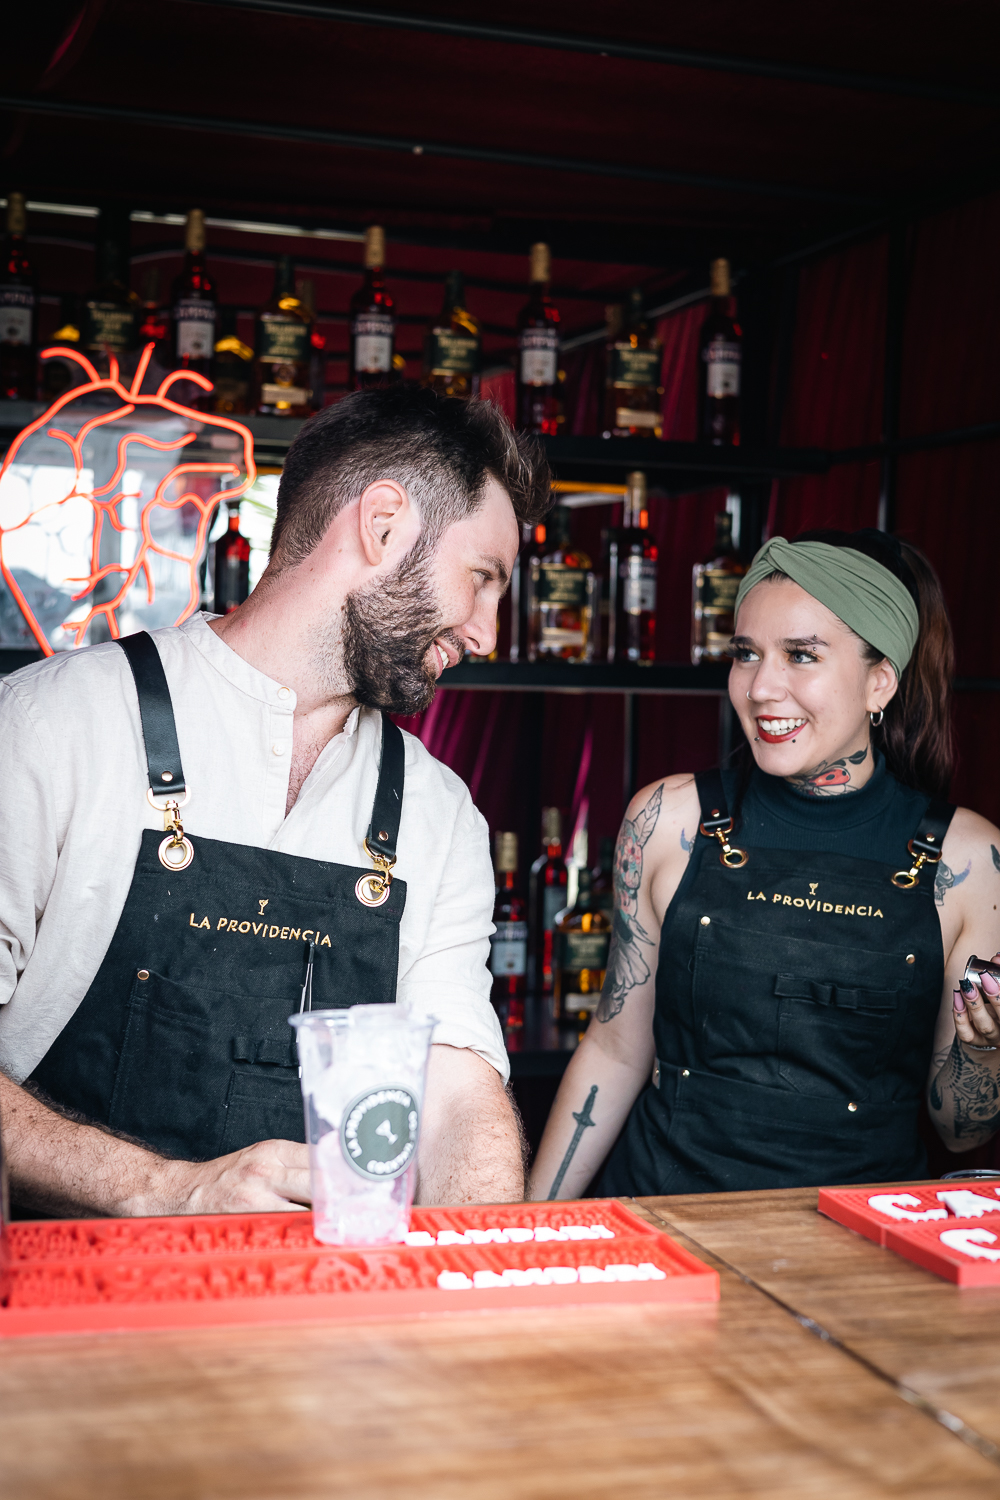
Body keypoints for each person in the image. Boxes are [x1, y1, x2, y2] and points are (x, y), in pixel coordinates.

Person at [0, 386, 550, 1217]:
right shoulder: (52, 725)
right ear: (383, 524)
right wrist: (165, 1189)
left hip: (319, 1292)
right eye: (481, 579)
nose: (486, 632)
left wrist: (479, 1266)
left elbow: (456, 1091)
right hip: (64, 1283)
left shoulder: (438, 813)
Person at [532, 529, 1000, 1199]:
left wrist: (985, 1050)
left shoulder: (970, 859)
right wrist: (530, 1224)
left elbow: (961, 1133)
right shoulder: (668, 819)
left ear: (879, 682)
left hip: (854, 1238)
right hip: (662, 1212)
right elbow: (615, 1049)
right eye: (746, 654)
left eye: (801, 655)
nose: (760, 687)